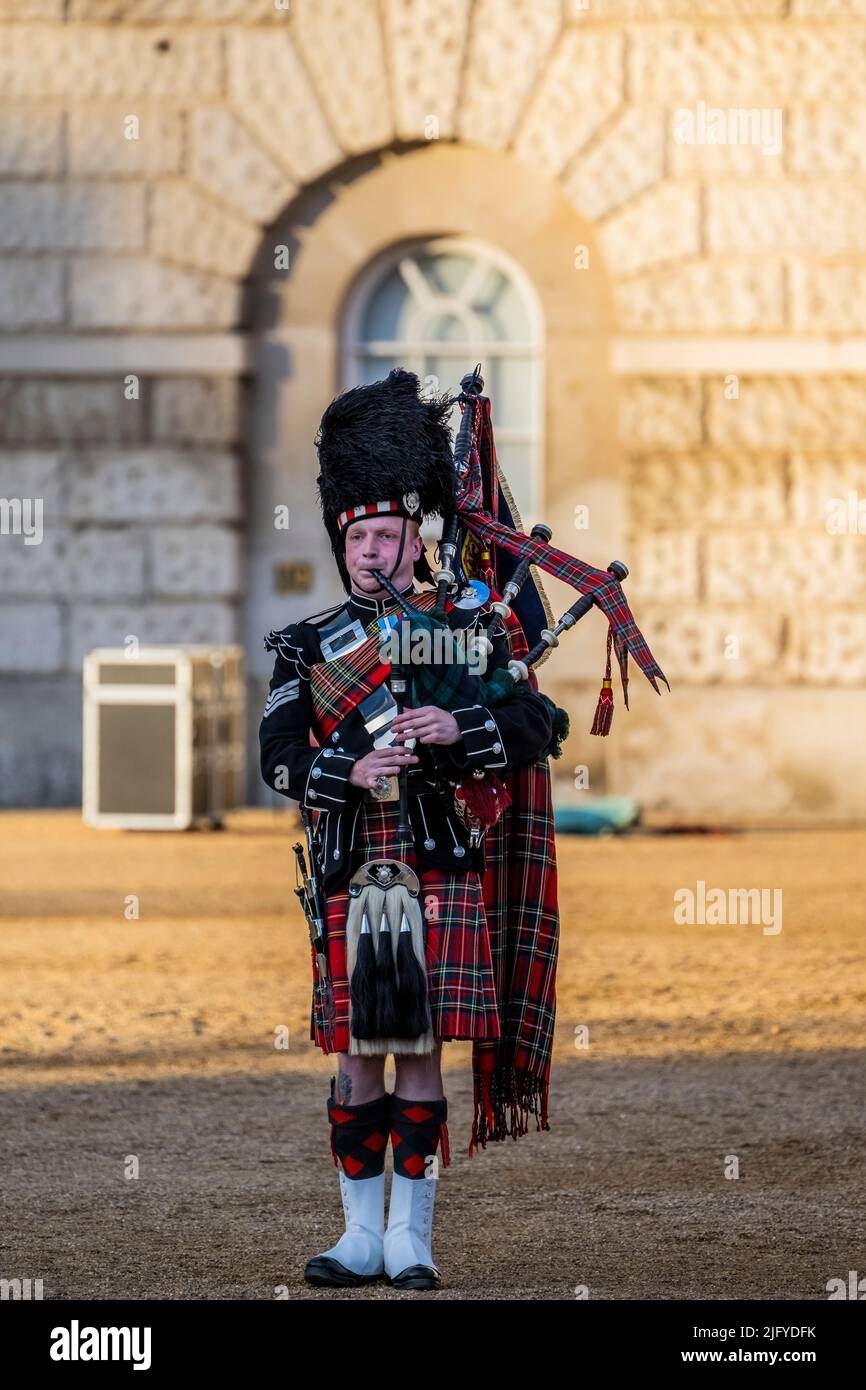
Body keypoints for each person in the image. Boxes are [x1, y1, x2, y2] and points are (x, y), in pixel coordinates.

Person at [259, 369, 556, 1290]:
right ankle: (357, 1236)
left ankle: (411, 1239)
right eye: (358, 538)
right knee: (357, 1055)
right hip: (351, 868)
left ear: (415, 539)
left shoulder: (463, 631)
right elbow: (273, 761)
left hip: (437, 859)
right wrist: (343, 766)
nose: (372, 552)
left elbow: (536, 726)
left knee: (420, 1050)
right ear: (341, 542)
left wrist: (458, 730)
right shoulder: (304, 646)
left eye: (387, 535)